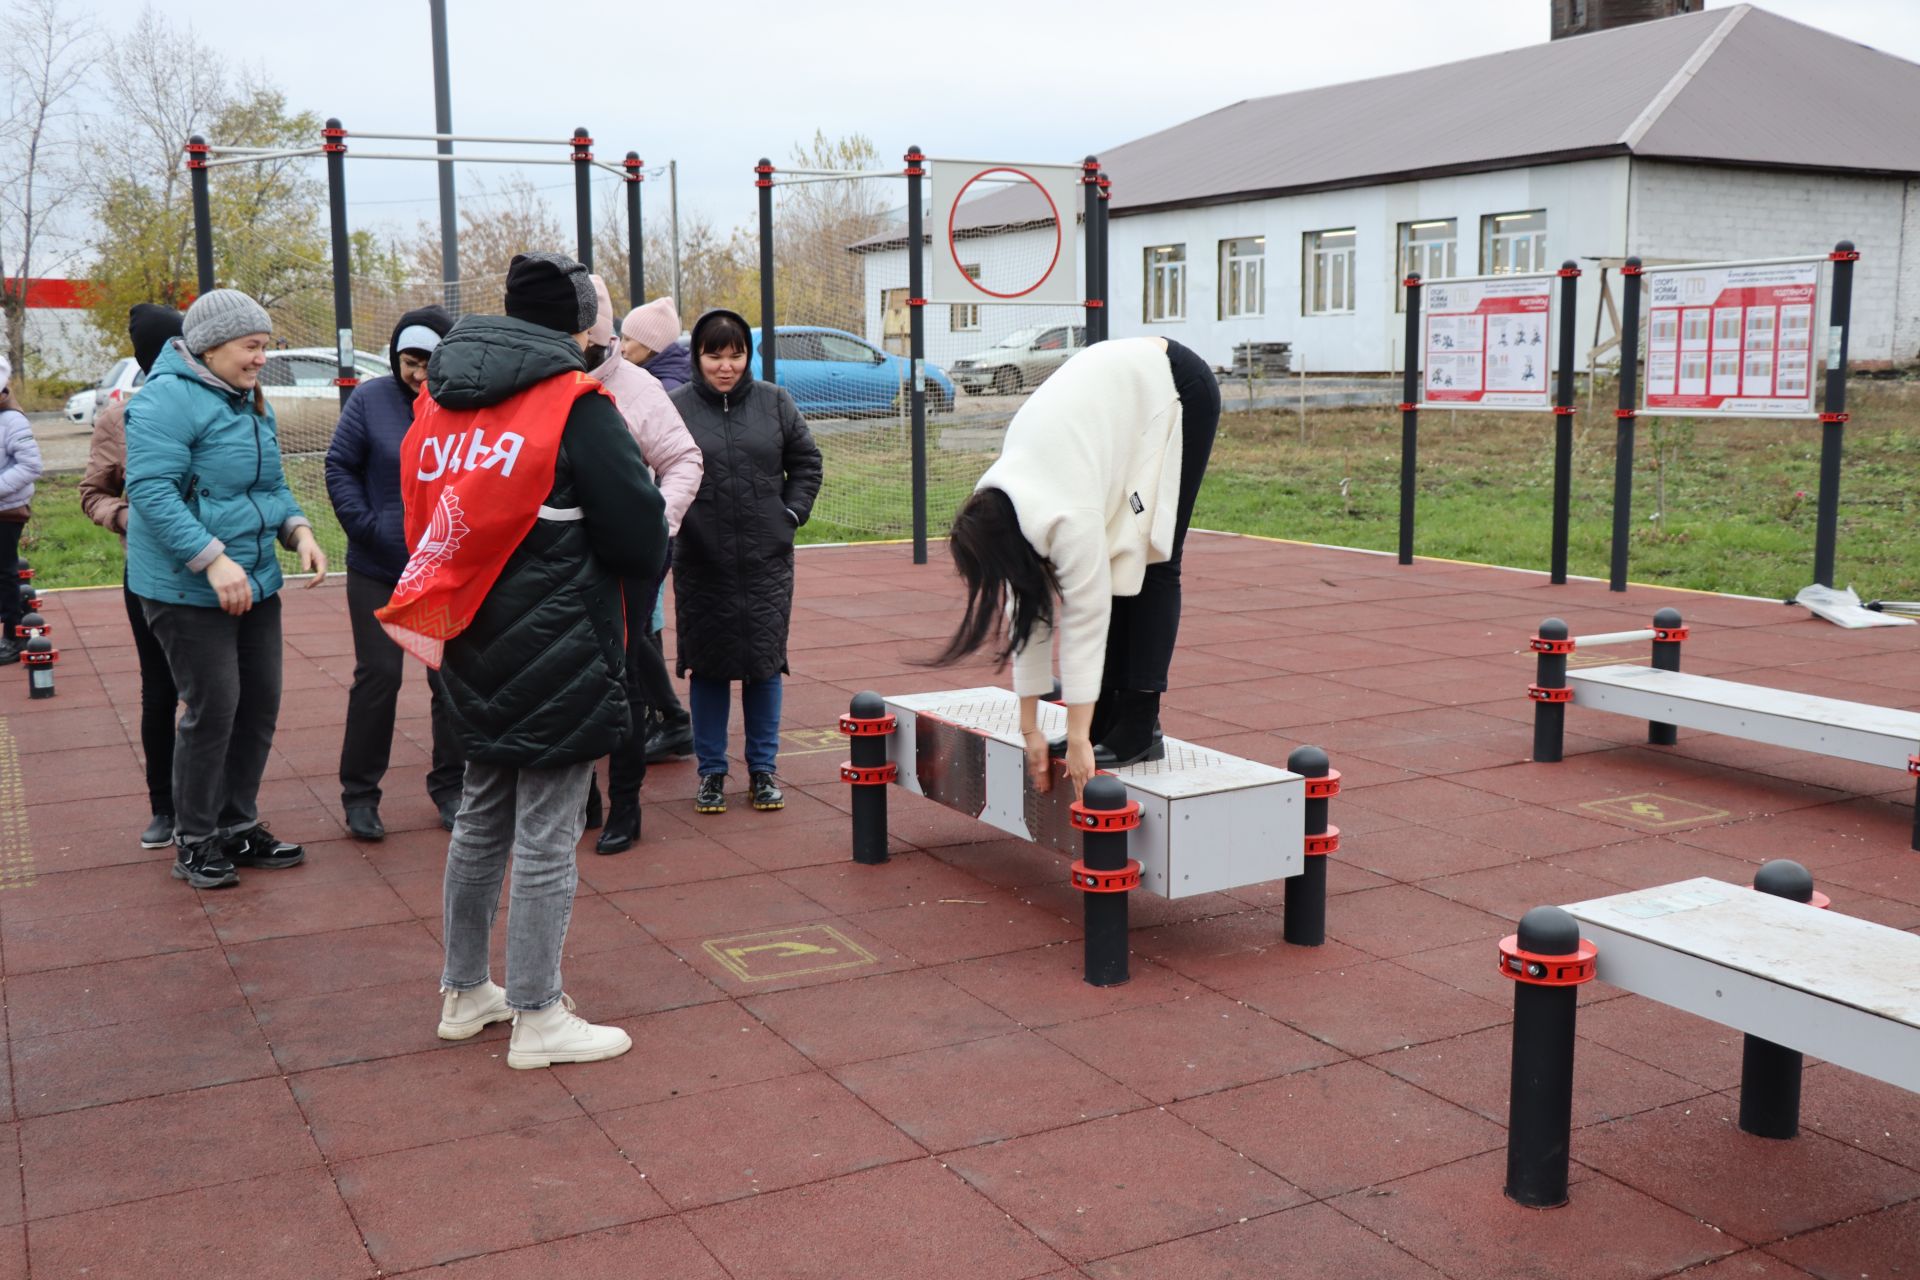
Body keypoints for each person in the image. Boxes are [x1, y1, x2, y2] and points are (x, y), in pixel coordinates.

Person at [378, 252, 664, 1068]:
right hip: (563, 639)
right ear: (577, 325)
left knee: (480, 817)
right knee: (546, 829)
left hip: (466, 631)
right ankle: (539, 1014)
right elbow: (639, 535)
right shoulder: (576, 403)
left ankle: (465, 991)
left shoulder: (438, 399)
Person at [928, 337, 1221, 800]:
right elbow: (1026, 612)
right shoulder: (1001, 502)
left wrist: (1079, 739)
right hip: (1116, 401)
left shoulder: (1065, 515)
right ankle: (1106, 717)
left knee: (1153, 556)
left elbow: (1088, 616)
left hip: (1175, 386)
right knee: (1117, 561)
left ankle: (1140, 727)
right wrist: (1030, 729)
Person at [125, 289, 329, 889]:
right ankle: (194, 839)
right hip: (186, 588)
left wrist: (299, 529)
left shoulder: (247, 400)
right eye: (252, 346)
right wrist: (211, 561)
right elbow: (152, 495)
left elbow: (270, 484)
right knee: (213, 708)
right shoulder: (164, 401)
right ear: (211, 347)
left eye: (265, 345)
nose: (262, 357)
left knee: (258, 703)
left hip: (255, 579)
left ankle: (237, 823)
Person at [667, 309, 822, 816]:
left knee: (763, 666)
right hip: (701, 561)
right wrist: (675, 525)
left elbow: (806, 462)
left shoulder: (775, 402)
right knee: (707, 669)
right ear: (697, 356)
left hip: (765, 561)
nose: (726, 365)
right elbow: (654, 471)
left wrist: (791, 514)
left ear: (748, 357)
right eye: (715, 354)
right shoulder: (677, 407)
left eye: (736, 354)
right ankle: (711, 774)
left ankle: (762, 770)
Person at [324, 306, 466, 841]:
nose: (420, 374)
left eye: (430, 363)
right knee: (378, 676)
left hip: (440, 568)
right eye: (410, 362)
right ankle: (360, 794)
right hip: (378, 565)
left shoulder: (464, 403)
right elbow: (339, 465)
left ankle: (451, 786)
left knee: (448, 680)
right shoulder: (370, 400)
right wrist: (366, 525)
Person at [581, 276, 702, 853]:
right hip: (557, 563)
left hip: (626, 562)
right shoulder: (539, 384)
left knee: (622, 678)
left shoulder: (636, 386)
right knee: (569, 682)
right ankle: (583, 797)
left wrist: (657, 525)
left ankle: (625, 803)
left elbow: (683, 458)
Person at [79, 306, 183, 847]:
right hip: (145, 574)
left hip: (214, 572)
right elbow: (92, 493)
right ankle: (164, 806)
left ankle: (224, 805)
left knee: (224, 693)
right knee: (160, 690)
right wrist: (124, 516)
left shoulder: (215, 405)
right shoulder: (118, 420)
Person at [0, 362, 43, 669]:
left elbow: (30, 466)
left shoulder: (12, 420)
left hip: (6, 510)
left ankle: (14, 636)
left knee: (4, 572)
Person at [620, 297, 690, 391]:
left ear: (649, 346)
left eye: (627, 339)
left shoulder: (665, 389)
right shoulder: (652, 378)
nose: (621, 348)